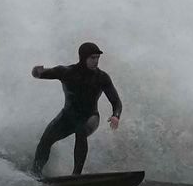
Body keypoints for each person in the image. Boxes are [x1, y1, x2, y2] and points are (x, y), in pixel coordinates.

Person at [29, 41, 124, 177]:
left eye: (98, 58)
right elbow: (41, 73)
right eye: (92, 58)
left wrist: (116, 115)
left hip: (90, 117)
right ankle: (35, 174)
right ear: (83, 57)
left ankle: (76, 176)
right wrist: (36, 71)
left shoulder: (102, 77)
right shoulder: (66, 72)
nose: (96, 61)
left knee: (81, 130)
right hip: (67, 117)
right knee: (45, 140)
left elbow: (116, 101)